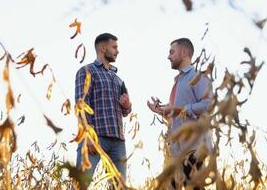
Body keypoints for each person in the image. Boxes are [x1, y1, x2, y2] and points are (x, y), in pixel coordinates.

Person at [147, 38, 213, 189]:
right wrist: (162, 110)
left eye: (171, 52)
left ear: (183, 53)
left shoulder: (197, 76)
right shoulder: (179, 81)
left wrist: (177, 109)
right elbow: (179, 113)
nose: (168, 56)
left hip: (194, 150)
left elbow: (208, 105)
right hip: (178, 152)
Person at [75, 33, 132, 188]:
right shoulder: (87, 71)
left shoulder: (117, 79)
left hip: (118, 142)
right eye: (114, 47)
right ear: (102, 48)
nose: (117, 51)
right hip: (95, 137)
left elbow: (126, 112)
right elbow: (81, 105)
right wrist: (88, 135)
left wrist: (127, 105)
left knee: (119, 187)